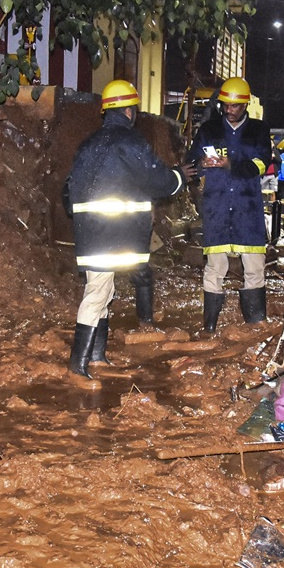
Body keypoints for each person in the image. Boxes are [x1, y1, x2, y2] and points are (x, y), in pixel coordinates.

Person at [64, 80, 195, 380]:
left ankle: (96, 357)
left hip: (90, 232)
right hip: (112, 232)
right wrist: (179, 177)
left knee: (103, 289)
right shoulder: (131, 142)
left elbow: (69, 188)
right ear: (129, 111)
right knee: (97, 293)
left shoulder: (88, 144)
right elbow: (155, 180)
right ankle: (77, 367)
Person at [190, 77, 272, 332]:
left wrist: (231, 165)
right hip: (216, 207)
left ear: (245, 105)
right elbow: (191, 163)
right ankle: (209, 327)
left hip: (248, 209)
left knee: (254, 267)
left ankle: (255, 323)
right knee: (214, 268)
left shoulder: (259, 130)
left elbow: (262, 164)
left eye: (235, 106)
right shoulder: (208, 130)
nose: (229, 110)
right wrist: (200, 165)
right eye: (226, 105)